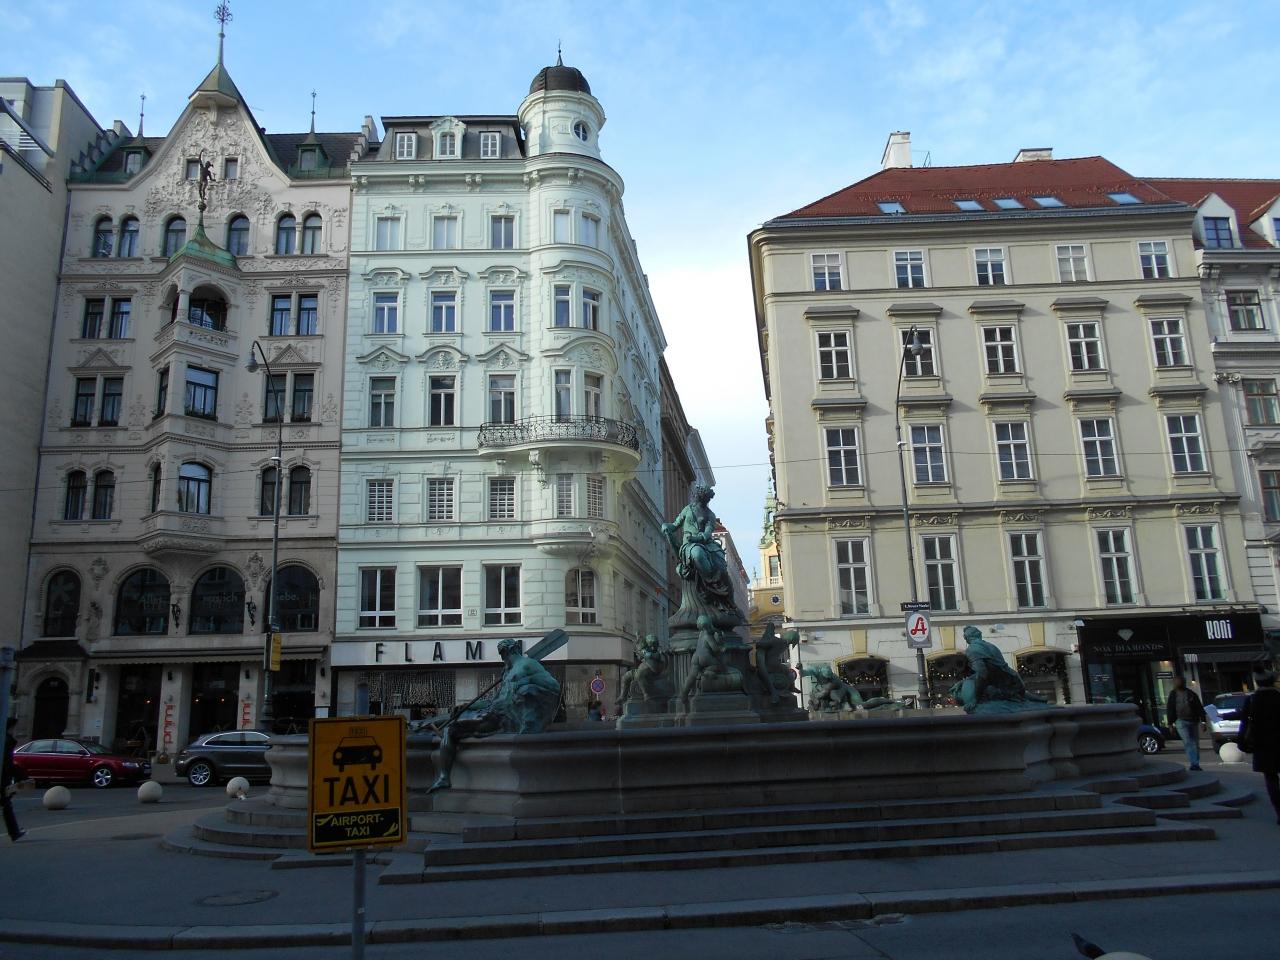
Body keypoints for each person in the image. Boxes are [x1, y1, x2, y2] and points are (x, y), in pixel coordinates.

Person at [1239, 665, 1280, 825]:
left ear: (1257, 683)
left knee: (1270, 779)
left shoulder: (1252, 700)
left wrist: (1242, 742)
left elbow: (1244, 723)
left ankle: (1279, 811)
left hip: (1262, 745)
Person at [1165, 676, 1206, 771]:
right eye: (1176, 682)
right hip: (1180, 721)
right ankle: (1194, 763)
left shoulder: (1191, 694)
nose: (1177, 683)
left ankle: (1195, 763)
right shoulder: (1173, 695)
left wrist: (1203, 721)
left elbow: (1199, 708)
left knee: (1194, 742)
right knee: (1188, 742)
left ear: (1183, 682)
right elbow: (1170, 709)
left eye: (1179, 682)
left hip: (1193, 720)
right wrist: (1170, 724)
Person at [3, 718, 26, 842]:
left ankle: (14, 832)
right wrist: (20, 776)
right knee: (6, 805)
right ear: (11, 728)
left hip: (4, 777)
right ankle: (14, 832)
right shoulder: (7, 741)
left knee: (6, 805)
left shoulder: (6, 740)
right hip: (3, 778)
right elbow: (7, 763)